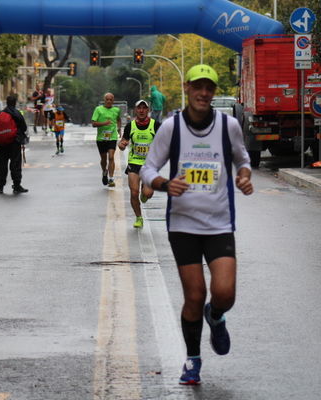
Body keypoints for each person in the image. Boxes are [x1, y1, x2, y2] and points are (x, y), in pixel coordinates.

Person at [140, 64, 254, 386]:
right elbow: (149, 168)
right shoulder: (171, 128)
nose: (204, 94)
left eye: (210, 88)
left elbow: (242, 159)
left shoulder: (227, 125)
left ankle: (216, 315)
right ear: (188, 88)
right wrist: (164, 183)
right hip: (183, 225)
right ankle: (192, 360)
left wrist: (244, 176)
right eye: (199, 87)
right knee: (194, 295)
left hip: (219, 223)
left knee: (224, 292)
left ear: (213, 93)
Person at [118, 100, 160, 228]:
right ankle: (138, 217)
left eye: (144, 108)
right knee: (133, 192)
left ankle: (144, 193)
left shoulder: (156, 125)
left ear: (148, 111)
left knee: (148, 194)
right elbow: (123, 142)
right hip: (134, 162)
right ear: (136, 110)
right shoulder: (130, 126)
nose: (141, 110)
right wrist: (122, 145)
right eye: (139, 108)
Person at [0, 95, 29, 194]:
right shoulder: (17, 113)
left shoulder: (0, 113)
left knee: (1, 164)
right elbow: (24, 127)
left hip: (2, 143)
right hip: (14, 142)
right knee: (15, 164)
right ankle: (16, 185)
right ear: (15, 103)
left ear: (7, 102)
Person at [91, 92, 121, 187]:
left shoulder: (116, 110)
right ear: (104, 100)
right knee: (103, 159)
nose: (108, 101)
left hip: (112, 137)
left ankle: (111, 179)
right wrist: (104, 123)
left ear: (113, 100)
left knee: (111, 157)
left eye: (110, 99)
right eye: (107, 99)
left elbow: (119, 119)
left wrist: (119, 129)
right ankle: (104, 171)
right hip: (101, 138)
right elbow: (93, 123)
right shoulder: (98, 109)